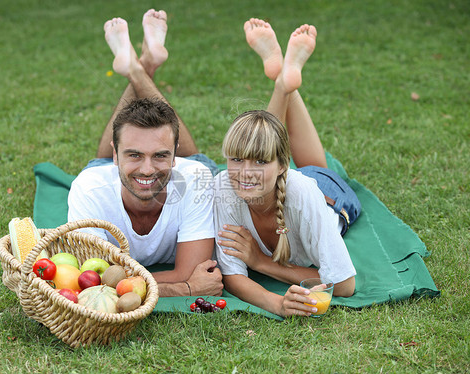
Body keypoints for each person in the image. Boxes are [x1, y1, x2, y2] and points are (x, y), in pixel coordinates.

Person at [68, 9, 223, 297]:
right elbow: (91, 284)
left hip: (189, 172)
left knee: (196, 161)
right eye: (134, 155)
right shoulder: (89, 188)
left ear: (175, 157)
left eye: (162, 156)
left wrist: (119, 284)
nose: (148, 169)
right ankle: (142, 68)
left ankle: (137, 69)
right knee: (99, 165)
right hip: (107, 173)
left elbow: (191, 269)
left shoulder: (196, 179)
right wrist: (186, 288)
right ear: (116, 157)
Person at [214, 19, 361, 317]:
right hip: (285, 183)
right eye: (236, 159)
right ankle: (285, 80)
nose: (244, 172)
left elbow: (345, 285)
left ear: (285, 164)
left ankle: (285, 85)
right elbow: (231, 275)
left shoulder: (304, 192)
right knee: (269, 145)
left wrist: (261, 263)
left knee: (319, 169)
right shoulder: (222, 186)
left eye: (259, 161)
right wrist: (276, 303)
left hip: (331, 195)